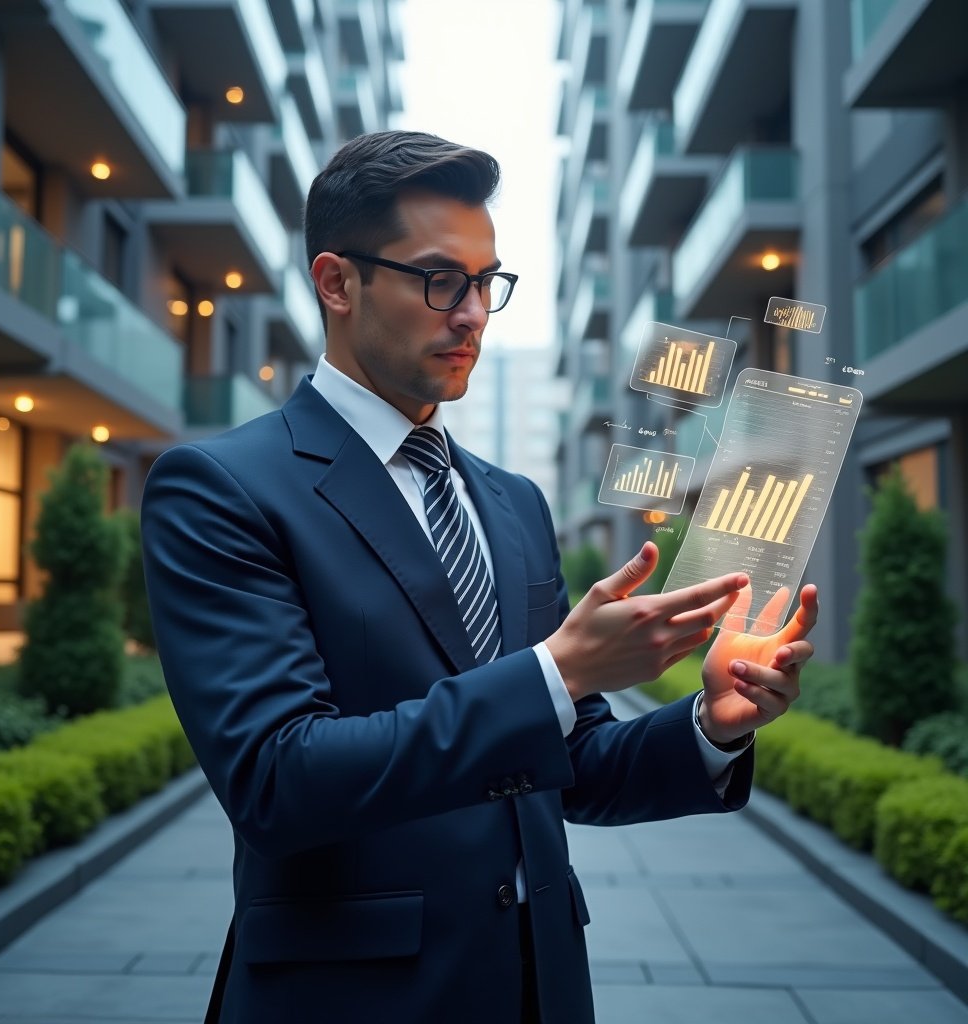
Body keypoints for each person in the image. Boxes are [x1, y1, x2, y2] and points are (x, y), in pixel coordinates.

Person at [140, 130, 818, 1024]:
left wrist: (710, 726)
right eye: (439, 280)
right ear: (337, 282)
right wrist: (557, 671)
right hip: (351, 1000)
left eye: (486, 282)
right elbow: (277, 779)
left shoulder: (513, 502)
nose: (471, 315)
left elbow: (570, 762)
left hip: (540, 988)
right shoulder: (224, 487)